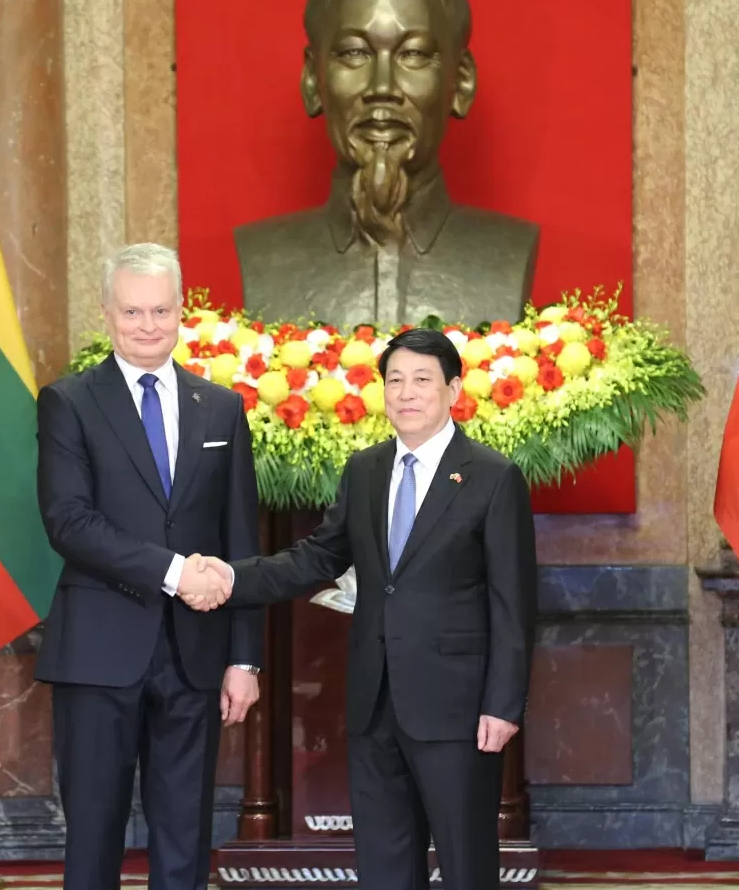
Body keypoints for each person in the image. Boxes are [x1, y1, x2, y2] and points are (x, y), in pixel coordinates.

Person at [184, 328, 537, 890]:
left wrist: (503, 704)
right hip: (374, 704)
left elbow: (514, 603)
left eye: (422, 380)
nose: (407, 393)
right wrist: (228, 576)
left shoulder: (492, 478)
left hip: (458, 708)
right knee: (384, 864)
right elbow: (316, 557)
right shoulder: (366, 470)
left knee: (467, 864)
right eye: (394, 380)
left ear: (453, 389)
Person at [34, 242, 262, 890]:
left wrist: (245, 659)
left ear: (182, 309)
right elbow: (69, 522)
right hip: (98, 651)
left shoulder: (220, 408)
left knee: (186, 830)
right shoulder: (69, 402)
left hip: (196, 655)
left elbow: (239, 538)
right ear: (107, 314)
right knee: (95, 828)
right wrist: (174, 571)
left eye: (161, 309)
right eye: (132, 311)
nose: (148, 325)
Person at [232, 0, 539, 329]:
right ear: (313, 80)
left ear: (461, 82)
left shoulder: (508, 253)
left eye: (413, 54)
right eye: (353, 53)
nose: (382, 86)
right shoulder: (264, 255)